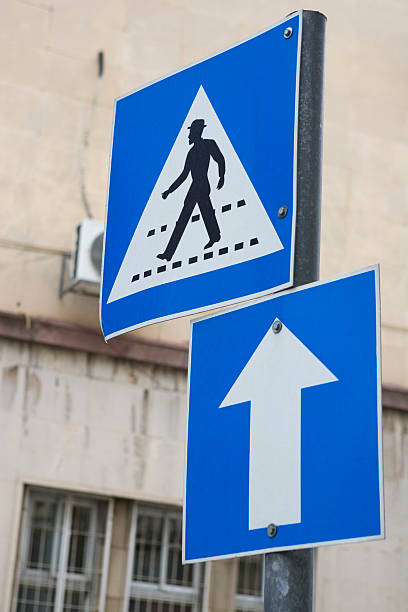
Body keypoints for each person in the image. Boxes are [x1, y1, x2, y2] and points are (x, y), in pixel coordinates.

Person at [157, 118, 225, 262]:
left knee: (200, 214)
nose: (189, 135)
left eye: (191, 132)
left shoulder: (209, 144)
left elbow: (220, 159)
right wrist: (169, 191)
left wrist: (221, 176)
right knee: (196, 215)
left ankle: (214, 237)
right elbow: (184, 175)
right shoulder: (191, 152)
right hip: (195, 186)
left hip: (202, 185)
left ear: (197, 132)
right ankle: (168, 254)